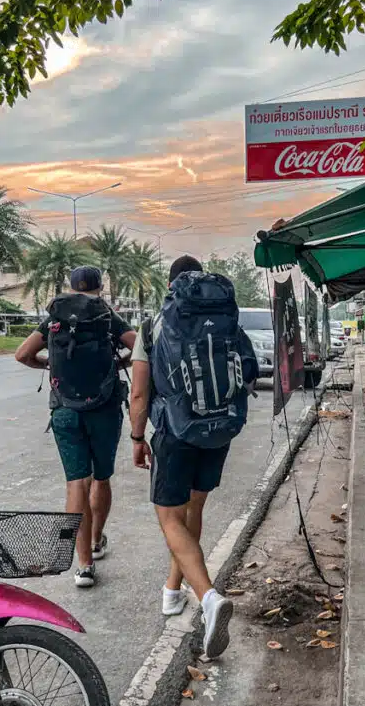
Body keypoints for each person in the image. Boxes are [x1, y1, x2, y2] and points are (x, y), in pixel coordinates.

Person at [129, 255, 258, 659]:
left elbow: (137, 393)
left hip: (175, 431)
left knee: (169, 517)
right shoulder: (227, 320)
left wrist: (137, 436)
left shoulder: (153, 326)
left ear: (171, 286)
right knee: (192, 510)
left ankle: (207, 599)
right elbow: (249, 372)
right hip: (219, 428)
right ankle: (172, 591)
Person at [15, 266, 137, 588]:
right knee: (101, 476)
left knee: (76, 484)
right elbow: (140, 348)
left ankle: (83, 567)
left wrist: (48, 365)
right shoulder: (107, 315)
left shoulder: (56, 316)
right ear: (99, 287)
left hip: (65, 410)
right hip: (105, 408)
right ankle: (96, 541)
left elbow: (22, 354)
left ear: (71, 286)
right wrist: (118, 364)